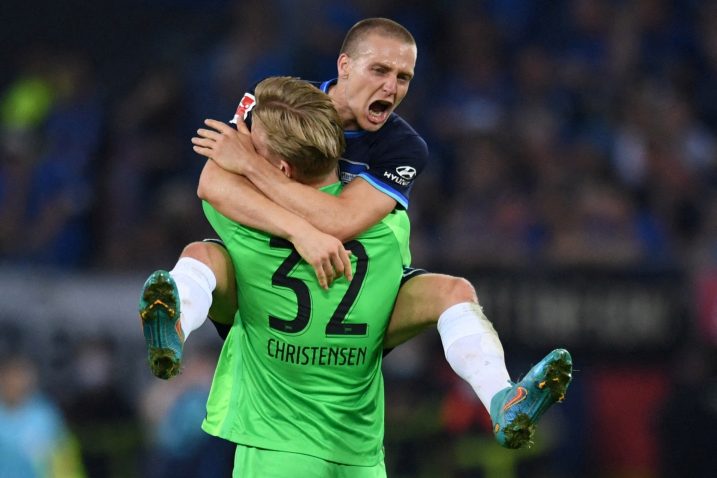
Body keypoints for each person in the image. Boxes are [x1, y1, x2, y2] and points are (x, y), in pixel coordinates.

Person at [140, 18, 572, 450]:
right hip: (272, 282)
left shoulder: (402, 147)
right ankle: (171, 328)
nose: (391, 87)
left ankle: (503, 399)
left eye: (403, 77)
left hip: (360, 296)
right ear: (345, 65)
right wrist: (298, 231)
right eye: (379, 71)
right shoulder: (278, 106)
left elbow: (341, 221)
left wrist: (253, 166)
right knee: (201, 255)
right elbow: (212, 184)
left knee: (455, 291)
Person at [146, 75, 407, 476]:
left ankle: (179, 318)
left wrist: (291, 224)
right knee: (447, 292)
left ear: (281, 168)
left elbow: (212, 183)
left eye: (256, 144)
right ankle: (498, 390)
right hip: (357, 443)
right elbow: (339, 213)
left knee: (203, 255)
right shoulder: (386, 225)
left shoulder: (243, 218)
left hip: (274, 437)